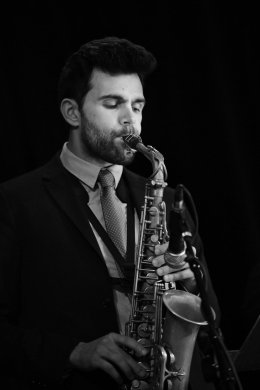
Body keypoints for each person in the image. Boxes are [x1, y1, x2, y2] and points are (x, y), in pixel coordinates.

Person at [0, 36, 220, 390]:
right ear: (72, 112)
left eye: (137, 105)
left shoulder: (168, 200)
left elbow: (212, 324)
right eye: (112, 103)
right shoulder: (14, 202)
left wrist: (192, 283)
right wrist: (74, 352)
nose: (129, 120)